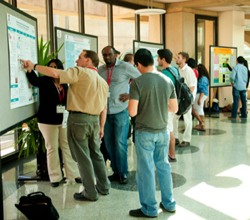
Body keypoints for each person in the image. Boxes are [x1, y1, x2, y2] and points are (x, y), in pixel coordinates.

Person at [22, 49, 110, 201]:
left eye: (80, 58)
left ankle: (90, 192)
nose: (76, 61)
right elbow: (104, 108)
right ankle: (104, 186)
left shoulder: (80, 72)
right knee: (96, 155)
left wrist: (34, 66)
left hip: (79, 121)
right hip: (94, 121)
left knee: (83, 158)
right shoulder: (102, 81)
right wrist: (101, 127)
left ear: (88, 61)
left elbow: (56, 74)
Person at [128, 48, 177, 218]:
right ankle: (169, 203)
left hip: (144, 133)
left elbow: (132, 112)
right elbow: (174, 108)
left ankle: (149, 208)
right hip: (163, 131)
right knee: (163, 166)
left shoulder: (137, 83)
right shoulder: (166, 80)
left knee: (146, 170)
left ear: (139, 64)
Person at [25, 58, 81, 187]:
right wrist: (29, 70)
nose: (53, 68)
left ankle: (73, 174)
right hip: (47, 120)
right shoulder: (45, 81)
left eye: (55, 66)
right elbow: (34, 80)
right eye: (50, 66)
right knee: (52, 148)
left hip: (63, 119)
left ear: (60, 68)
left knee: (66, 146)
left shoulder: (64, 83)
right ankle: (55, 177)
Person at [98, 46, 141, 184]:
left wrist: (131, 95)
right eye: (104, 55)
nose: (107, 57)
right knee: (109, 144)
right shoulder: (101, 70)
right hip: (105, 113)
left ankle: (123, 172)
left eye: (109, 54)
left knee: (120, 143)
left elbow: (140, 80)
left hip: (120, 111)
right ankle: (116, 171)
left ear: (115, 54)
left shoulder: (125, 67)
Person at [157, 48, 178, 162]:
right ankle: (171, 153)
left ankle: (172, 154)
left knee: (168, 130)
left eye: (158, 58)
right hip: (173, 103)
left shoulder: (164, 74)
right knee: (170, 129)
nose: (157, 60)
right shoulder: (174, 70)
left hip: (167, 106)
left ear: (163, 59)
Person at [173, 52, 197, 147]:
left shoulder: (189, 71)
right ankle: (175, 138)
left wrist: (187, 99)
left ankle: (187, 139)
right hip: (179, 98)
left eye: (178, 57)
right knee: (175, 117)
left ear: (184, 59)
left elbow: (192, 87)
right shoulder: (178, 70)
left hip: (187, 98)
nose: (176, 59)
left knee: (187, 118)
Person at [187, 58, 205, 131]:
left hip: (191, 92)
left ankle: (201, 122)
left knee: (192, 109)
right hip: (194, 92)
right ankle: (200, 122)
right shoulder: (196, 71)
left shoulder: (191, 72)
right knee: (192, 109)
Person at [193, 64, 210, 130]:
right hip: (201, 94)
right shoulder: (204, 77)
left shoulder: (203, 78)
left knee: (199, 109)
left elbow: (202, 89)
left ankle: (201, 124)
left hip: (201, 94)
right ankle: (199, 123)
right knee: (198, 109)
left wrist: (200, 99)